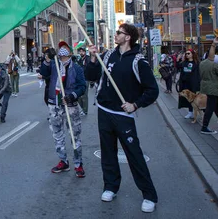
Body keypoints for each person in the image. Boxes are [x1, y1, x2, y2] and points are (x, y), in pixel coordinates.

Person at [85, 23, 159, 213]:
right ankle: (110, 186)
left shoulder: (138, 61)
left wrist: (135, 104)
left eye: (119, 33)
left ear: (128, 38)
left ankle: (149, 195)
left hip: (123, 115)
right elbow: (91, 76)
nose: (116, 35)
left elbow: (152, 91)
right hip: (104, 110)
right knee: (108, 152)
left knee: (134, 154)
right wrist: (93, 58)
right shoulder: (108, 55)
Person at [39, 41, 87, 178]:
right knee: (57, 135)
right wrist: (47, 59)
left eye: (65, 48)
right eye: (60, 48)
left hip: (70, 106)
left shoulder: (76, 68)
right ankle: (63, 161)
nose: (62, 50)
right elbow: (44, 72)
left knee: (75, 135)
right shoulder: (54, 65)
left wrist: (72, 95)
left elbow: (82, 86)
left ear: (70, 52)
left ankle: (78, 164)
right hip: (54, 104)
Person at [199, 50, 218, 135]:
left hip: (206, 86)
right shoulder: (216, 64)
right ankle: (204, 126)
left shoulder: (202, 63)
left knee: (216, 106)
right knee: (210, 107)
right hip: (214, 87)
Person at [177, 49, 200, 119]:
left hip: (193, 83)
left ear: (192, 54)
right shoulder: (184, 63)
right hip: (185, 83)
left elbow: (198, 74)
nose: (187, 55)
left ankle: (197, 112)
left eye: (188, 53)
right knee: (187, 98)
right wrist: (178, 59)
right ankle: (190, 112)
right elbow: (178, 67)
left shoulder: (196, 63)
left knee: (193, 98)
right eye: (186, 53)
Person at [75, 47, 91, 115]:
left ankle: (85, 111)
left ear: (85, 52)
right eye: (80, 51)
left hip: (86, 78)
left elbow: (88, 68)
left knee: (84, 95)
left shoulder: (87, 58)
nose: (81, 53)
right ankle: (82, 109)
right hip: (79, 79)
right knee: (79, 95)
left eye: (82, 51)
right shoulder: (79, 59)